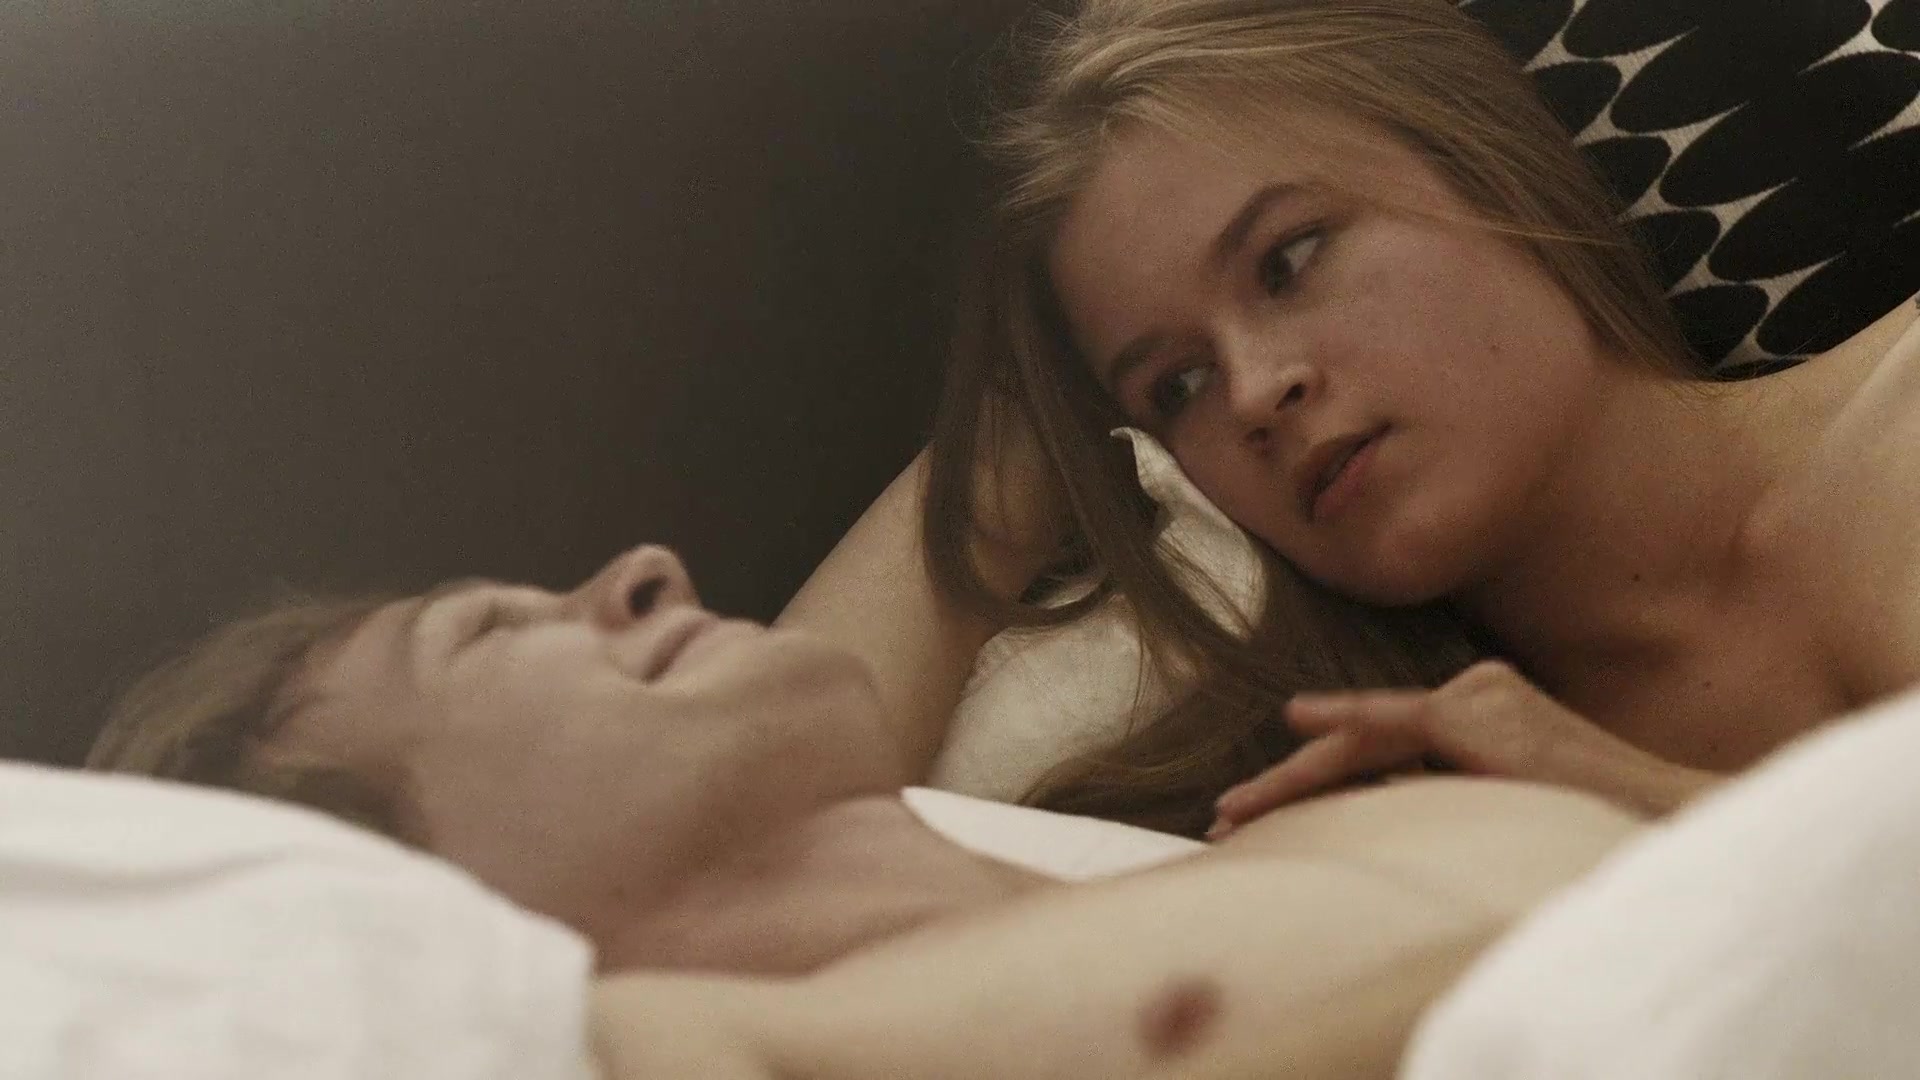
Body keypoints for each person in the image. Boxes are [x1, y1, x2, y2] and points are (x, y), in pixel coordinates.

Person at [781, 0, 1920, 839]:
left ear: (1486, 162)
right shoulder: (1388, 792)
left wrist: (1640, 804)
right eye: (1176, 386)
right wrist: (1017, 447)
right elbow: (759, 833)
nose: (1253, 391)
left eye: (1290, 258)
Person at [86, 544, 1642, 1076]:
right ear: (384, 897)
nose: (642, 570)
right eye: (491, 632)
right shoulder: (708, 1048)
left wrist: (1659, 801)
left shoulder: (1350, 824)